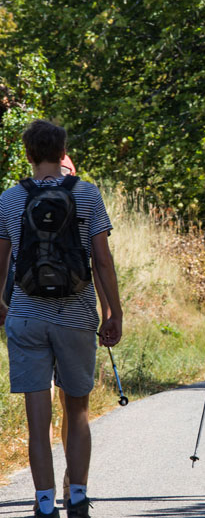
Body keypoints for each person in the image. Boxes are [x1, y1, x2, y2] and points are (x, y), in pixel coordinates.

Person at [0, 120, 123, 518]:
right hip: (76, 314)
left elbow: (0, 262)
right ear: (62, 150)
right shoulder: (88, 195)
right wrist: (113, 311)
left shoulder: (9, 200)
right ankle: (77, 497)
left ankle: (42, 503)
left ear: (29, 154)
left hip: (26, 315)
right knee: (78, 410)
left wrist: (1, 306)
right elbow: (101, 260)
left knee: (38, 419)